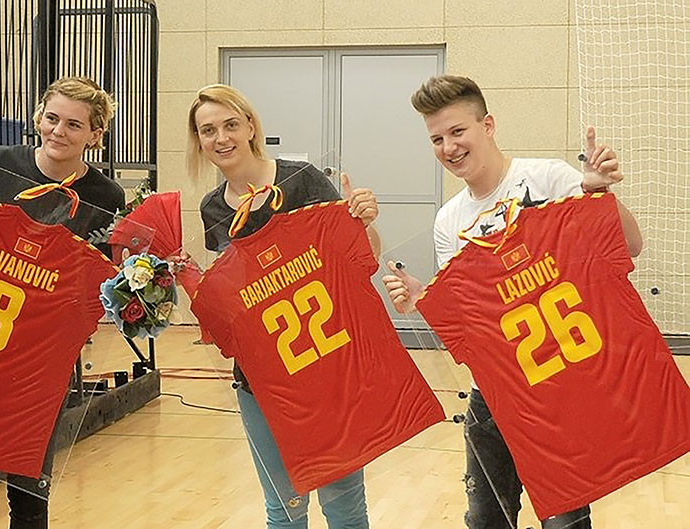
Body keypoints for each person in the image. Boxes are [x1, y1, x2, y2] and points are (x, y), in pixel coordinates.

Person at [381, 74, 642, 529]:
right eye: (437, 139)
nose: (449, 147)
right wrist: (424, 301)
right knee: (485, 520)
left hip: (558, 393)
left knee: (564, 522)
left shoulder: (551, 179)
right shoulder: (449, 220)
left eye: (457, 131)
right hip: (491, 398)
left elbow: (630, 246)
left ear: (488, 125)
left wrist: (599, 196)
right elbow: (468, 327)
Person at [0, 76, 125, 529]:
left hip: (37, 363)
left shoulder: (106, 197)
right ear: (37, 117)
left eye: (74, 124)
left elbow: (94, 286)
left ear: (95, 135)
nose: (58, 131)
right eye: (52, 118)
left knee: (29, 493)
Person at [187, 83, 379, 529]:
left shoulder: (302, 179)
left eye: (231, 125)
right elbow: (233, 296)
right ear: (199, 140)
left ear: (251, 127)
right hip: (260, 379)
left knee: (345, 507)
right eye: (208, 130)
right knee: (283, 508)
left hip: (326, 371)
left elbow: (360, 259)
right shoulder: (213, 208)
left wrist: (365, 222)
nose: (221, 138)